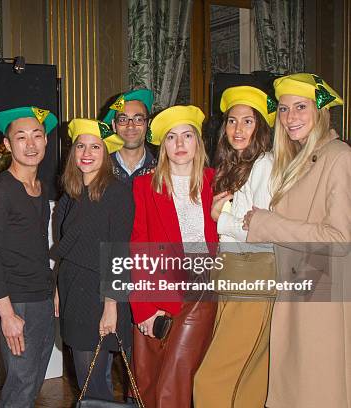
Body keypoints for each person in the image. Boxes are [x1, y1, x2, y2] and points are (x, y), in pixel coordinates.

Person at [243, 73, 351, 408]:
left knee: (318, 392)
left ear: (320, 112)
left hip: (322, 297)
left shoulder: (338, 156)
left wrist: (267, 224)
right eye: (285, 109)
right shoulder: (298, 158)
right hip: (298, 290)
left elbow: (340, 237)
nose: (291, 118)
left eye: (301, 107)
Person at [193, 86, 277, 407]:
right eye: (231, 121)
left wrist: (220, 219)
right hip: (233, 275)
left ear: (261, 128)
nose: (237, 129)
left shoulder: (264, 165)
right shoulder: (235, 165)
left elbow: (263, 232)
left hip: (253, 276)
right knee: (249, 379)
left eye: (247, 122)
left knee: (212, 378)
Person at [129, 105, 218, 407]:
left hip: (201, 292)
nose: (180, 145)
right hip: (159, 296)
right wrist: (142, 308)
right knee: (152, 384)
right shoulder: (144, 186)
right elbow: (137, 248)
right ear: (163, 146)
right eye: (171, 137)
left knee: (173, 383)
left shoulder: (216, 182)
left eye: (187, 136)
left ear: (198, 142)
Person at [0, 106, 58, 408]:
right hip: (16, 302)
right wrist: (7, 314)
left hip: (40, 297)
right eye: (21, 137)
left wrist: (53, 291)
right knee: (21, 385)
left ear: (46, 140)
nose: (30, 144)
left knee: (32, 381)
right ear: (8, 145)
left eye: (37, 135)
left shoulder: (39, 186)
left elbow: (37, 248)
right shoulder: (0, 190)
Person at [52, 118, 132, 401]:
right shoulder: (70, 195)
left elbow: (119, 251)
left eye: (95, 147)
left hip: (100, 294)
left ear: (106, 152)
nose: (86, 153)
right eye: (81, 146)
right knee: (86, 376)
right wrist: (58, 289)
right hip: (73, 289)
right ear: (72, 152)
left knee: (93, 381)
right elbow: (64, 249)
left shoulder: (117, 193)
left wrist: (112, 306)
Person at [103, 89, 157, 184]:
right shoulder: (99, 168)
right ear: (114, 125)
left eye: (138, 119)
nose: (130, 126)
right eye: (123, 119)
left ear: (148, 124)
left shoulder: (161, 171)